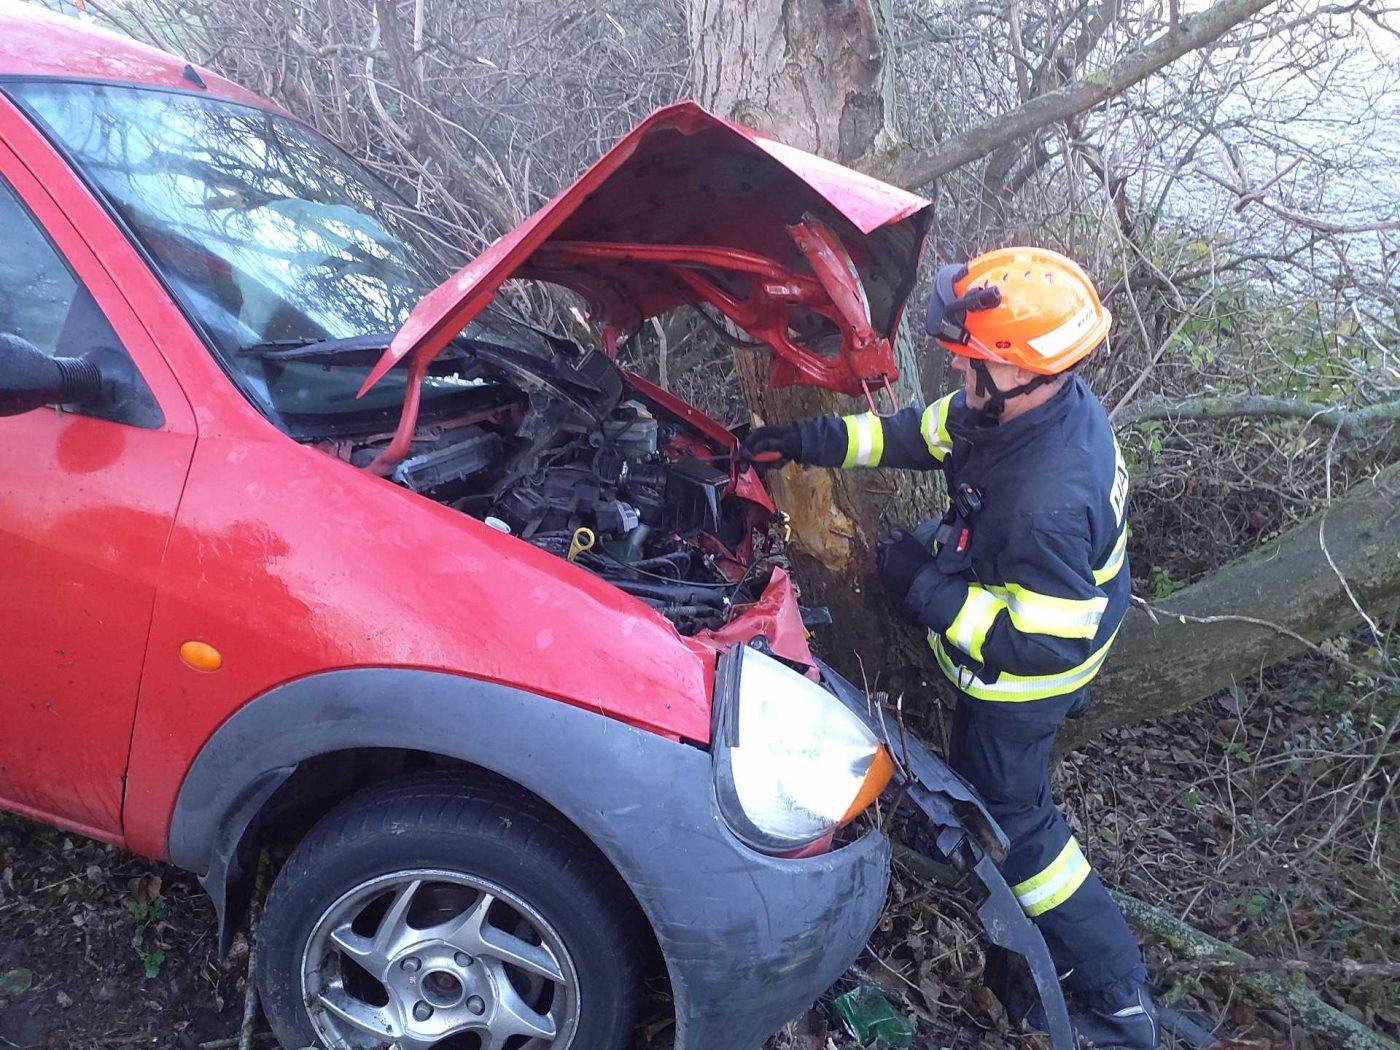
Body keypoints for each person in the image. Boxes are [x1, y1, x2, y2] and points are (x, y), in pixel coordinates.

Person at [741, 247, 1158, 1049]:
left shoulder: (1049, 500)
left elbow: (1030, 646)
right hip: (1026, 592)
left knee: (1019, 825)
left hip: (1025, 686)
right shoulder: (1023, 408)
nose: (960, 382)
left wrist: (920, 589)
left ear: (1025, 373)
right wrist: (807, 439)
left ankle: (1114, 987)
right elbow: (920, 433)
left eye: (974, 367)